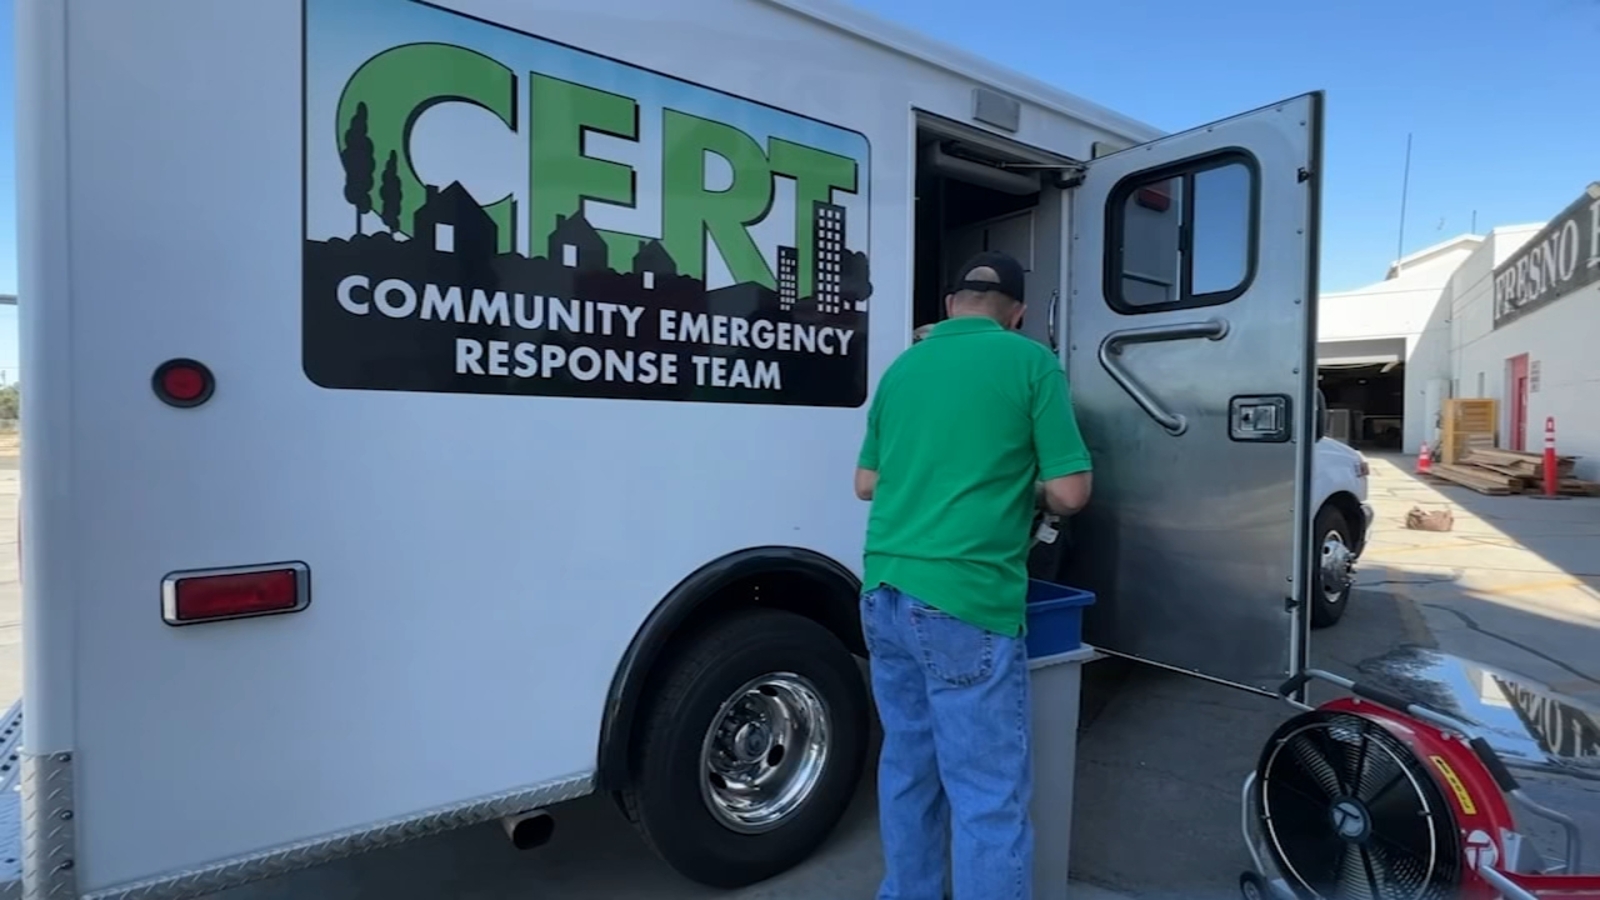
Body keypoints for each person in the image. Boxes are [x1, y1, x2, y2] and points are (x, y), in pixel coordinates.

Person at [854, 251, 1093, 900]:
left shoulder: (903, 369)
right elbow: (1072, 494)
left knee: (909, 771)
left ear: (950, 305)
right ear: (1015, 313)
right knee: (988, 796)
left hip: (884, 593)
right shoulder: (1030, 363)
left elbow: (865, 482)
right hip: (965, 599)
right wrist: (1029, 488)